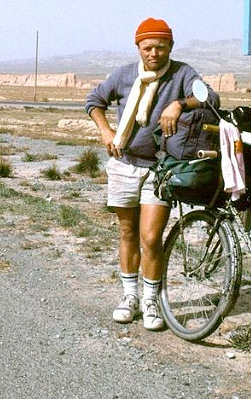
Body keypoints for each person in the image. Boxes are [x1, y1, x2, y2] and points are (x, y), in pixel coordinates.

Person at [85, 17, 219, 331]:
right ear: (138, 48)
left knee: (151, 237)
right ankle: (129, 297)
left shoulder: (182, 73)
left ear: (170, 47)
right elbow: (94, 101)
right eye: (147, 47)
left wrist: (178, 104)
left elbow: (210, 97)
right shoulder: (124, 75)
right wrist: (106, 132)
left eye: (160, 47)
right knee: (127, 233)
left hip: (159, 170)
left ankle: (151, 300)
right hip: (123, 164)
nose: (154, 53)